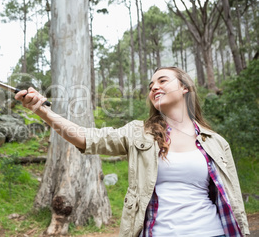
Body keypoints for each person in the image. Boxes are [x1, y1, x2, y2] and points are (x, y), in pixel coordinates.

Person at [14, 67, 250, 237]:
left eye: (162, 81)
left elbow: (233, 200)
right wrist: (42, 111)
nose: (154, 87)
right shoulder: (139, 133)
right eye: (151, 86)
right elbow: (87, 137)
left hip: (212, 231)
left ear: (185, 88)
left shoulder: (216, 142)